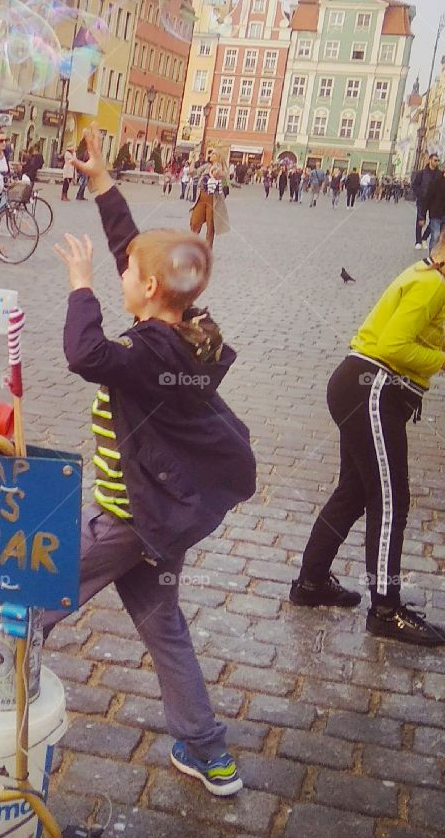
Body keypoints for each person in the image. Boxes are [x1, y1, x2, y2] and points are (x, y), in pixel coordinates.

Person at [47, 125, 256, 794]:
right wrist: (103, 182)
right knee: (163, 626)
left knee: (25, 602)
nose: (118, 276)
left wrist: (80, 288)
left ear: (146, 291)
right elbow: (134, 249)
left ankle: (1, 710)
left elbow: (85, 354)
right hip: (159, 523)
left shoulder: (144, 357)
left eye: (124, 277)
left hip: (124, 519)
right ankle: (208, 751)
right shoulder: (185, 331)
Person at [290, 227, 445, 645]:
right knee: (392, 498)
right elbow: (396, 346)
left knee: (354, 492)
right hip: (374, 387)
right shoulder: (433, 284)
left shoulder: (426, 274)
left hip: (360, 385)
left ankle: (311, 582)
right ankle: (385, 609)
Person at [413, 153, 441, 250]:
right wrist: (419, 194)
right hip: (423, 199)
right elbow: (415, 185)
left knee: (434, 220)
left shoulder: (439, 174)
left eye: (438, 161)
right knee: (420, 220)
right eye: (435, 160)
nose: (437, 162)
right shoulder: (422, 173)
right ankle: (418, 241)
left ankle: (424, 237)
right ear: (430, 160)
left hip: (434, 201)